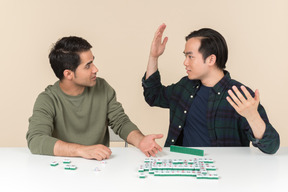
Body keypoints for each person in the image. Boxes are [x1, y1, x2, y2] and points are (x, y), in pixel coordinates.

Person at [142, 24, 280, 154]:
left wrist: (253, 117)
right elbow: (153, 95)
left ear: (211, 60)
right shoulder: (185, 87)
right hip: (183, 162)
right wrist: (153, 56)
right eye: (185, 56)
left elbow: (271, 146)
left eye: (190, 56)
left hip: (224, 171)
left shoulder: (239, 95)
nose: (185, 62)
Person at [27, 36, 163, 160]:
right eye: (88, 66)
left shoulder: (102, 87)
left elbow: (120, 122)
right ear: (68, 74)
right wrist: (82, 150)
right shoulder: (47, 100)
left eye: (93, 62)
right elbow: (36, 139)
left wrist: (140, 141)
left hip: (98, 168)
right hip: (62, 169)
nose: (95, 69)